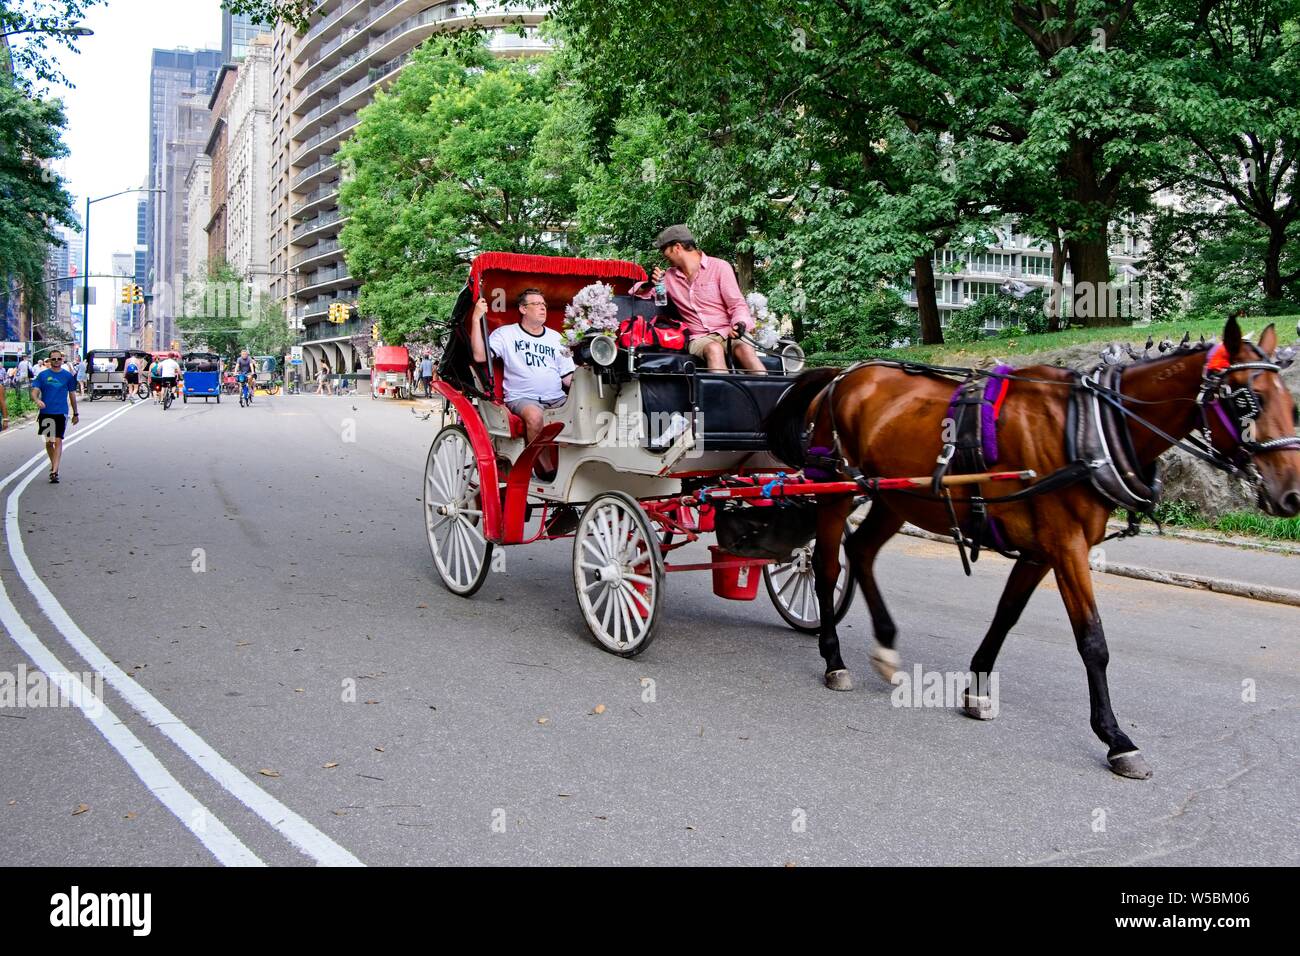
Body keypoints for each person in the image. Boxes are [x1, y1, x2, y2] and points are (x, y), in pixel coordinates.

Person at [631, 224, 765, 373]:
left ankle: (770, 393)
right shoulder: (668, 277)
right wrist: (649, 284)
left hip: (728, 331)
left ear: (677, 247)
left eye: (664, 249)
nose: (663, 255)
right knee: (714, 349)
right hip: (698, 337)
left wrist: (740, 323)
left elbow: (737, 304)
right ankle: (721, 395)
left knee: (745, 350)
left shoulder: (720, 267)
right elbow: (635, 293)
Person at [469, 287, 573, 479]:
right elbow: (480, 355)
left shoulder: (556, 338)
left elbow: (567, 376)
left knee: (582, 412)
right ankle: (541, 468)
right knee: (535, 416)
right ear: (523, 309)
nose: (543, 308)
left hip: (556, 397)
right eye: (537, 304)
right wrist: (476, 319)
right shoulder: (506, 334)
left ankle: (572, 467)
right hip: (522, 398)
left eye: (544, 305)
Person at [30, 349, 79, 483]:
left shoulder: (67, 376)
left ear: (62, 360)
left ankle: (54, 471)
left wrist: (75, 413)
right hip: (46, 413)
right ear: (49, 360)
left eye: (59, 359)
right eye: (54, 359)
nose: (56, 361)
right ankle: (54, 465)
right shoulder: (43, 375)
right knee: (49, 442)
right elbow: (34, 391)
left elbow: (72, 395)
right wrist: (37, 400)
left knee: (57, 440)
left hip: (61, 412)